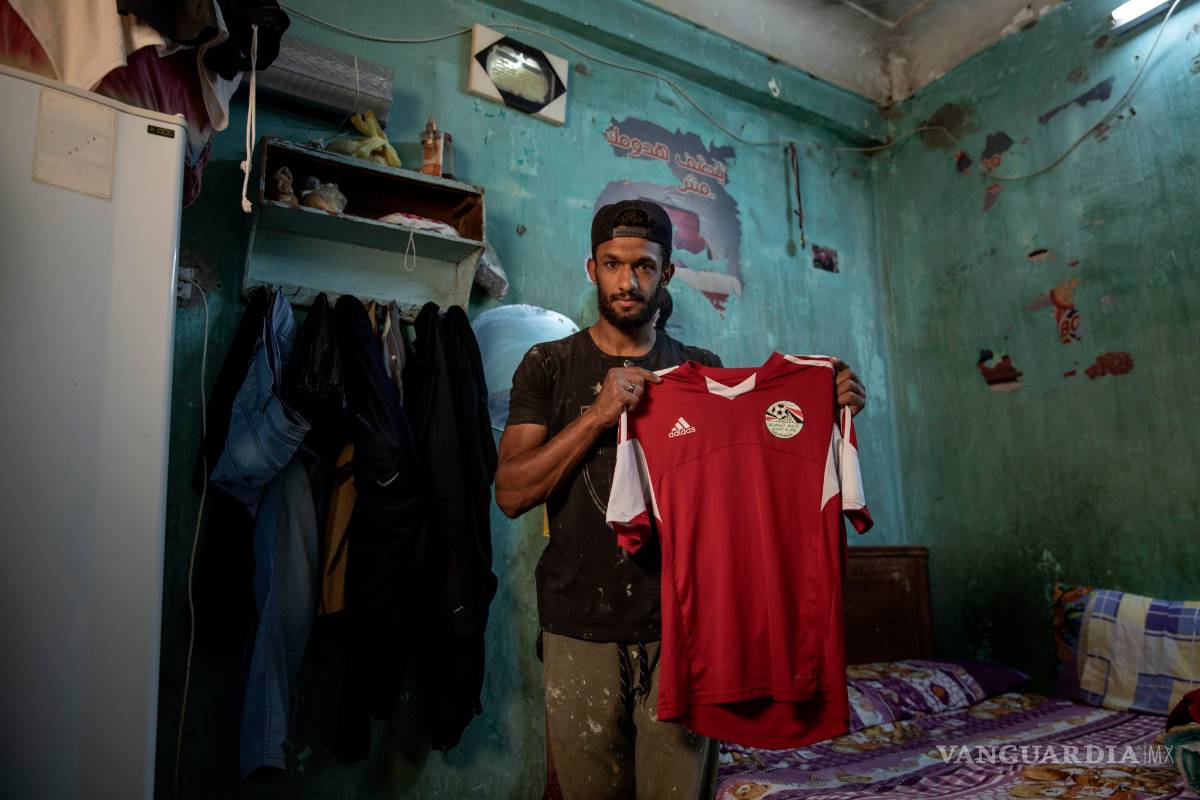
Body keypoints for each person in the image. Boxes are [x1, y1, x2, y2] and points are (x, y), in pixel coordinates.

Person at [495, 200, 867, 799]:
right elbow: (511, 492)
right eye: (613, 264)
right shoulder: (549, 364)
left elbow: (748, 485)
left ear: (666, 273)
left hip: (687, 630)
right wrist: (598, 415)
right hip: (577, 625)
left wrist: (826, 409)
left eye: (644, 266)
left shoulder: (701, 370)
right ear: (592, 269)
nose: (627, 281)